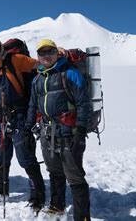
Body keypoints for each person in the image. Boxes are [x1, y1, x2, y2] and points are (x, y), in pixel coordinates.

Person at [25, 39, 91, 220]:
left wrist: (81, 131)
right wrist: (26, 128)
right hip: (47, 133)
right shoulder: (37, 78)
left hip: (69, 133)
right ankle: (57, 206)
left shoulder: (70, 73)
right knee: (54, 171)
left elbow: (83, 103)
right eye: (42, 53)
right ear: (38, 56)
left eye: (50, 52)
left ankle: (82, 216)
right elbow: (32, 106)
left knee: (75, 176)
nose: (46, 56)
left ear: (57, 53)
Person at [0, 35, 45, 212]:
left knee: (26, 158)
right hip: (1, 118)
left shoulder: (15, 59)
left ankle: (37, 196)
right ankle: (1, 190)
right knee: (1, 156)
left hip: (19, 116)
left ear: (0, 46)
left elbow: (38, 65)